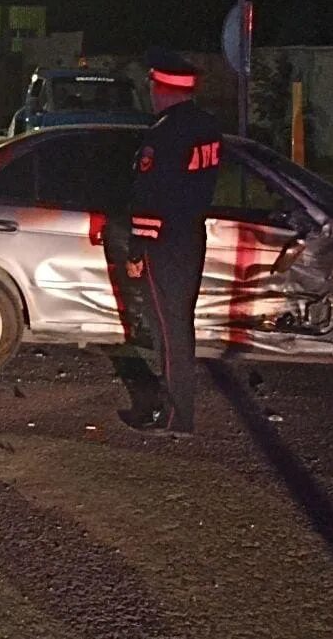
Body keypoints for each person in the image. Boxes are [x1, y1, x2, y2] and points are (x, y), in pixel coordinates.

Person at [125, 48, 222, 437]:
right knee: (180, 325)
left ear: (162, 87)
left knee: (168, 329)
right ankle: (177, 409)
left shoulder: (164, 134)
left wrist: (137, 247)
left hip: (163, 242)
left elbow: (149, 195)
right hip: (190, 235)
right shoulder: (207, 127)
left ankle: (173, 415)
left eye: (153, 85)